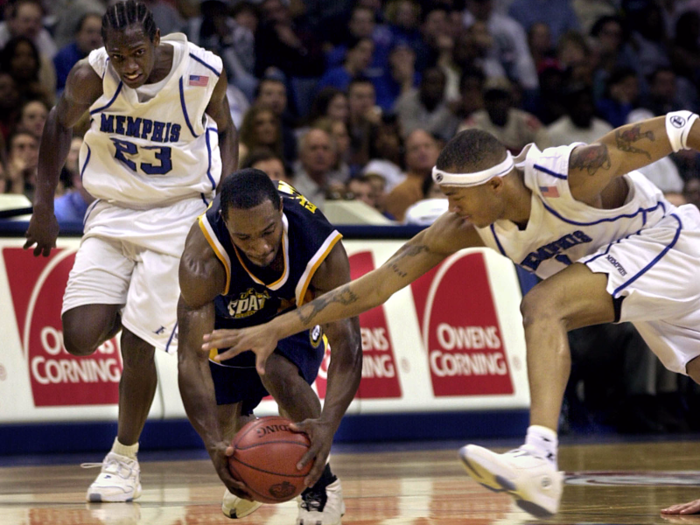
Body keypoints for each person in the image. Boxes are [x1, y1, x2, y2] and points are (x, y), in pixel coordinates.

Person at [201, 112, 700, 517]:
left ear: (499, 185)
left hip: (671, 245)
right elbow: (377, 286)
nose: (449, 206)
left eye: (457, 196)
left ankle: (540, 457)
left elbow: (678, 128)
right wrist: (278, 326)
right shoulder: (467, 224)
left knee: (542, 304)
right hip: (643, 282)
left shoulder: (571, 172)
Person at [22, 0, 236, 503]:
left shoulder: (203, 72)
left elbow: (226, 128)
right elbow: (57, 124)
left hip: (177, 214)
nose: (130, 66)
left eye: (138, 52)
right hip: (113, 210)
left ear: (158, 39)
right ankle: (142, 309)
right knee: (77, 337)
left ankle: (123, 461)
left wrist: (224, 194)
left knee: (137, 345)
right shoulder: (89, 76)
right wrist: (44, 206)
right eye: (119, 56)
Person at [177, 169, 361, 523]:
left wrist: (328, 424)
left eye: (268, 231)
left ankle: (321, 488)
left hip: (293, 307)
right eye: (243, 237)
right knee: (226, 431)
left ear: (279, 210)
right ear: (224, 223)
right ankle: (256, 473)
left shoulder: (320, 247)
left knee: (278, 370)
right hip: (229, 313)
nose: (260, 247)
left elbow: (347, 345)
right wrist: (213, 442)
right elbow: (190, 359)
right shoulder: (203, 259)